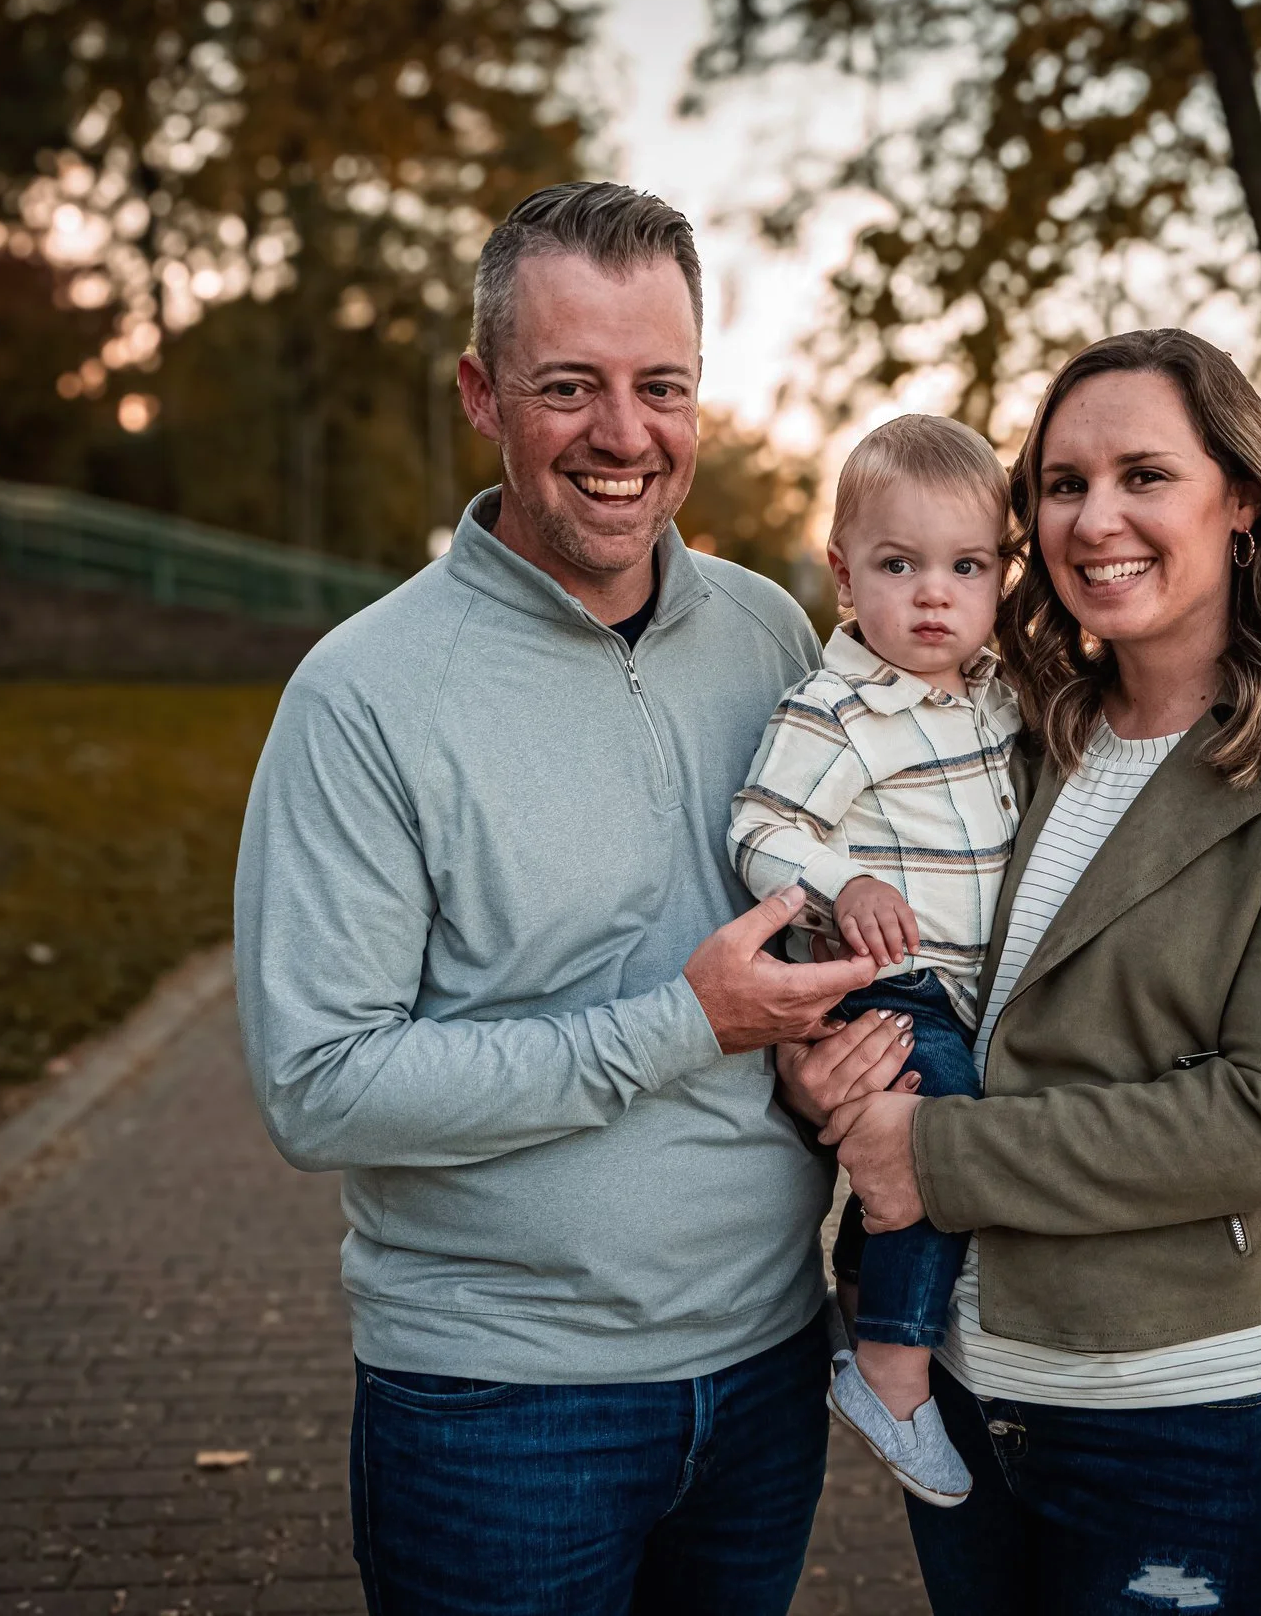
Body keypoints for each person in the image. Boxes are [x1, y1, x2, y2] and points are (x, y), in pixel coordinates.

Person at [232, 181, 914, 1616]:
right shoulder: (361, 696)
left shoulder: (770, 630)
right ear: (483, 393)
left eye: (660, 385)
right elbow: (319, 1086)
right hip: (499, 1408)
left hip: (765, 1369)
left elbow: (796, 928)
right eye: (570, 387)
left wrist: (820, 1059)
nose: (624, 434)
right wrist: (678, 1023)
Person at [782, 329, 1261, 1615]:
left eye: (1145, 474)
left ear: (1239, 497)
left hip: (1191, 1422)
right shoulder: (1021, 735)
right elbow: (938, 997)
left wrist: (935, 1152)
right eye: (1063, 484)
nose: (1096, 519)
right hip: (973, 1399)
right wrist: (829, 1079)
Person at [727, 414, 1021, 1507]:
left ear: (1001, 575)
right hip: (887, 980)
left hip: (962, 983)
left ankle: (863, 1288)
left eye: (966, 566)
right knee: (934, 1129)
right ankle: (892, 1372)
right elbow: (756, 830)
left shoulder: (993, 694)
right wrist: (840, 885)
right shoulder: (837, 707)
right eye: (899, 566)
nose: (933, 595)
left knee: (937, 1142)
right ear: (846, 574)